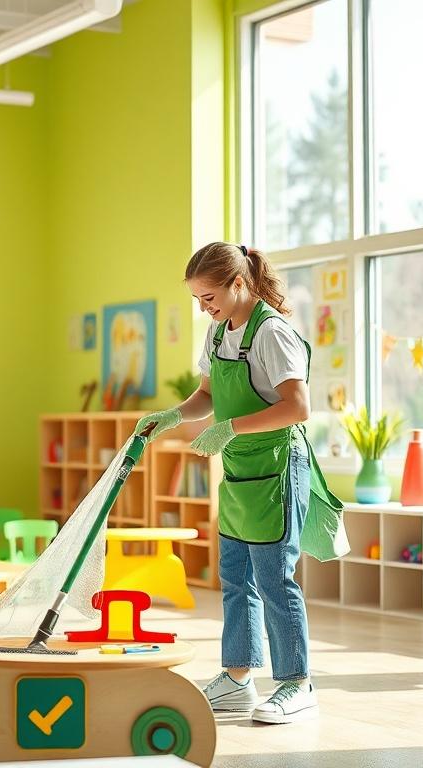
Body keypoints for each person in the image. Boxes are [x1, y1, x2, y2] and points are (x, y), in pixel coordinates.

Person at [137, 242, 347, 724]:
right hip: (239, 470)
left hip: (277, 466)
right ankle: (237, 679)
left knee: (275, 578)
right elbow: (208, 394)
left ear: (238, 284)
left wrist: (231, 427)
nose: (202, 307)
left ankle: (297, 683)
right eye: (196, 298)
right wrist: (172, 416)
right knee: (235, 578)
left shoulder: (272, 332)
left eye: (208, 296)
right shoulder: (216, 333)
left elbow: (298, 407)